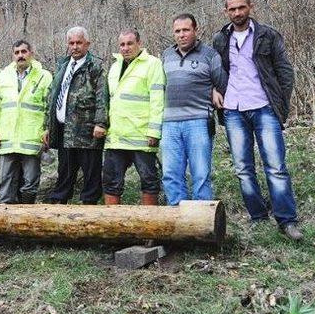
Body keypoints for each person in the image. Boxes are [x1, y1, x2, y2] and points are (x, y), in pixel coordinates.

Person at [212, 0, 303, 240]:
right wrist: (213, 90)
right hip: (233, 110)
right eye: (232, 9)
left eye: (241, 7)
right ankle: (258, 216)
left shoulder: (268, 35)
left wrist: (279, 105)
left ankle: (287, 220)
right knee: (243, 168)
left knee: (275, 166)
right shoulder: (220, 39)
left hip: (264, 107)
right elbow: (215, 71)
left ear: (250, 7)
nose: (237, 13)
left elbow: (285, 72)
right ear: (226, 11)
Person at [161, 14, 227, 205]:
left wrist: (216, 89)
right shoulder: (166, 55)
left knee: (200, 173)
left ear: (195, 31)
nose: (182, 35)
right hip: (170, 123)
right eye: (178, 31)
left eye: (186, 30)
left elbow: (221, 82)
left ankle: (202, 220)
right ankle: (178, 219)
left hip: (198, 121)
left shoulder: (210, 55)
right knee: (171, 173)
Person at [44, 26, 107, 205]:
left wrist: (101, 123)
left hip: (87, 131)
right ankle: (58, 207)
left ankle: (89, 208)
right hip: (65, 130)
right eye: (71, 43)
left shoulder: (95, 66)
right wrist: (47, 127)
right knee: (64, 171)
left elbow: (102, 97)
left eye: (79, 42)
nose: (75, 47)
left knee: (91, 173)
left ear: (87, 44)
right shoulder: (63, 66)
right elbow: (52, 97)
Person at [102, 29, 165, 205]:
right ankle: (112, 225)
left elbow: (157, 99)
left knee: (149, 181)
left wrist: (154, 131)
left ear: (139, 44)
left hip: (141, 135)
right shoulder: (115, 67)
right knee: (111, 182)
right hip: (117, 136)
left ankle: (149, 224)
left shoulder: (153, 64)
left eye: (129, 43)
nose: (125, 48)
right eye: (122, 44)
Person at [0, 40, 52, 204]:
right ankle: (6, 218)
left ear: (31, 53)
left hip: (32, 138)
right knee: (6, 181)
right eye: (17, 53)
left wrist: (48, 130)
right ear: (13, 55)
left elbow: (49, 107)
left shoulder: (44, 76)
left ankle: (26, 215)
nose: (20, 55)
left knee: (30, 182)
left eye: (24, 52)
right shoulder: (2, 77)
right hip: (8, 139)